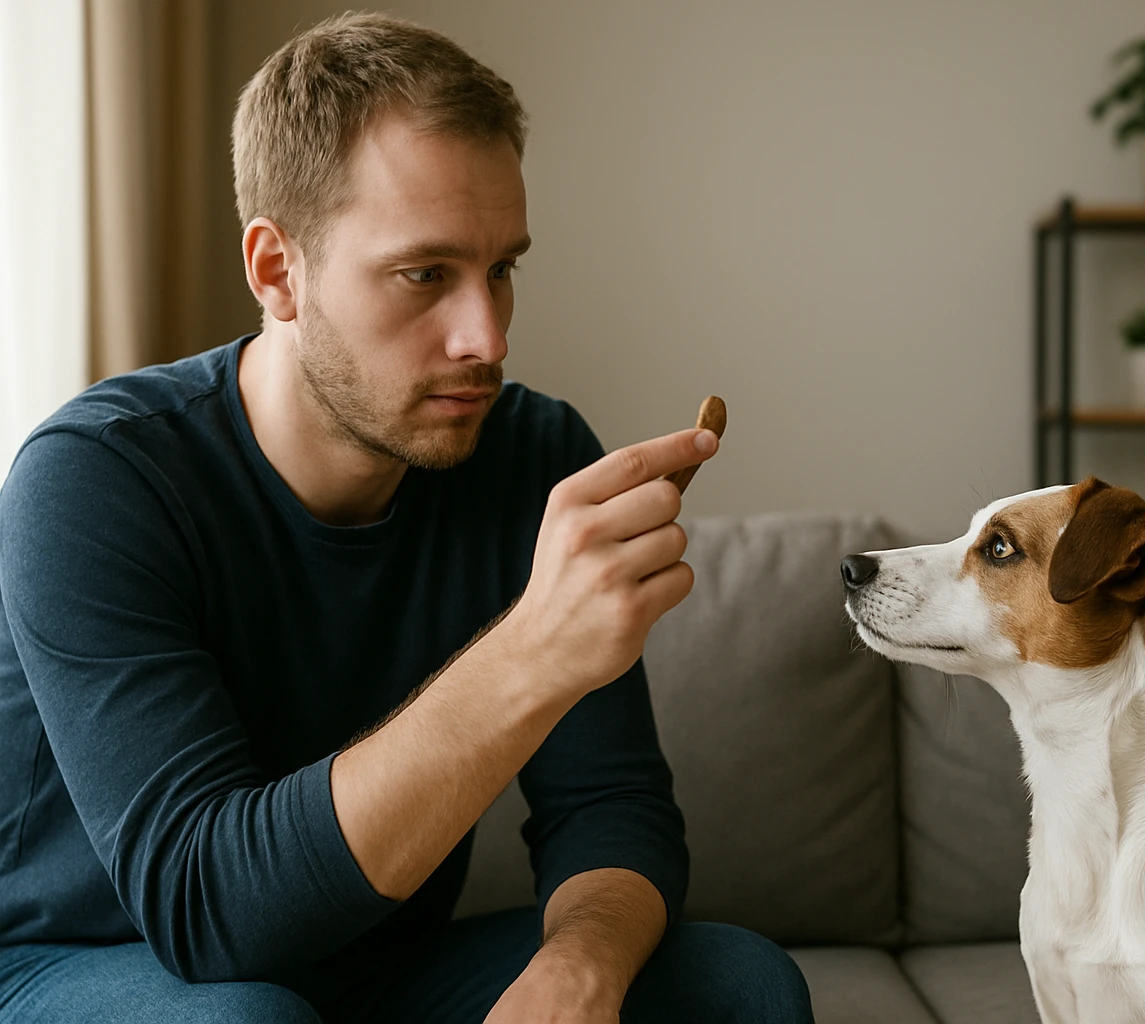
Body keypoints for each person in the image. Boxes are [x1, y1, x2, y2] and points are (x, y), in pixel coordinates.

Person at [0, 12, 814, 1023]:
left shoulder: (530, 454)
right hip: (101, 966)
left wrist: (580, 971)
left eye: (502, 268)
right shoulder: (93, 481)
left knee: (739, 987)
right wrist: (532, 654)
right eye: (425, 274)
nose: (487, 336)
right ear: (276, 271)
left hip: (379, 966)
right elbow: (212, 912)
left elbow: (612, 812)